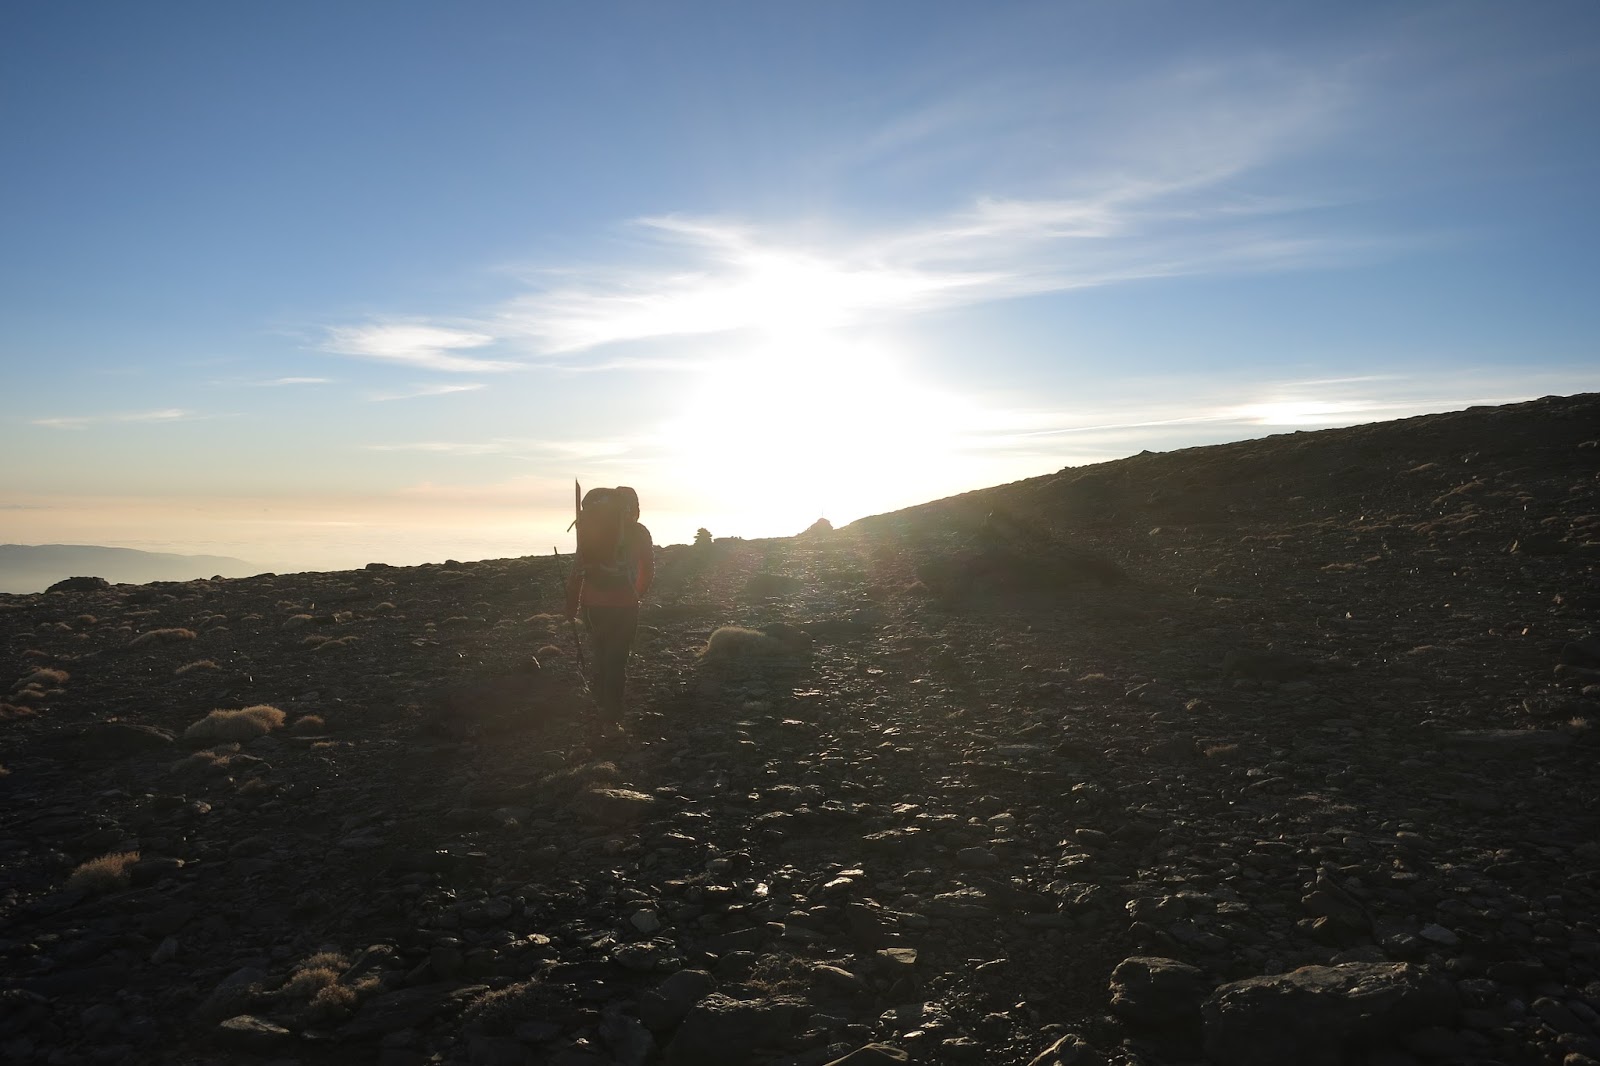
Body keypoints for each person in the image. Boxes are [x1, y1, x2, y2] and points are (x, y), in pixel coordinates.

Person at [564, 486, 653, 737]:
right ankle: (611, 720)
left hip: (592, 606)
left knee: (600, 653)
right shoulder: (639, 533)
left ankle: (600, 705)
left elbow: (578, 570)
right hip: (625, 606)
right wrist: (636, 595)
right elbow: (648, 569)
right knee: (617, 660)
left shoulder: (592, 529)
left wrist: (571, 605)